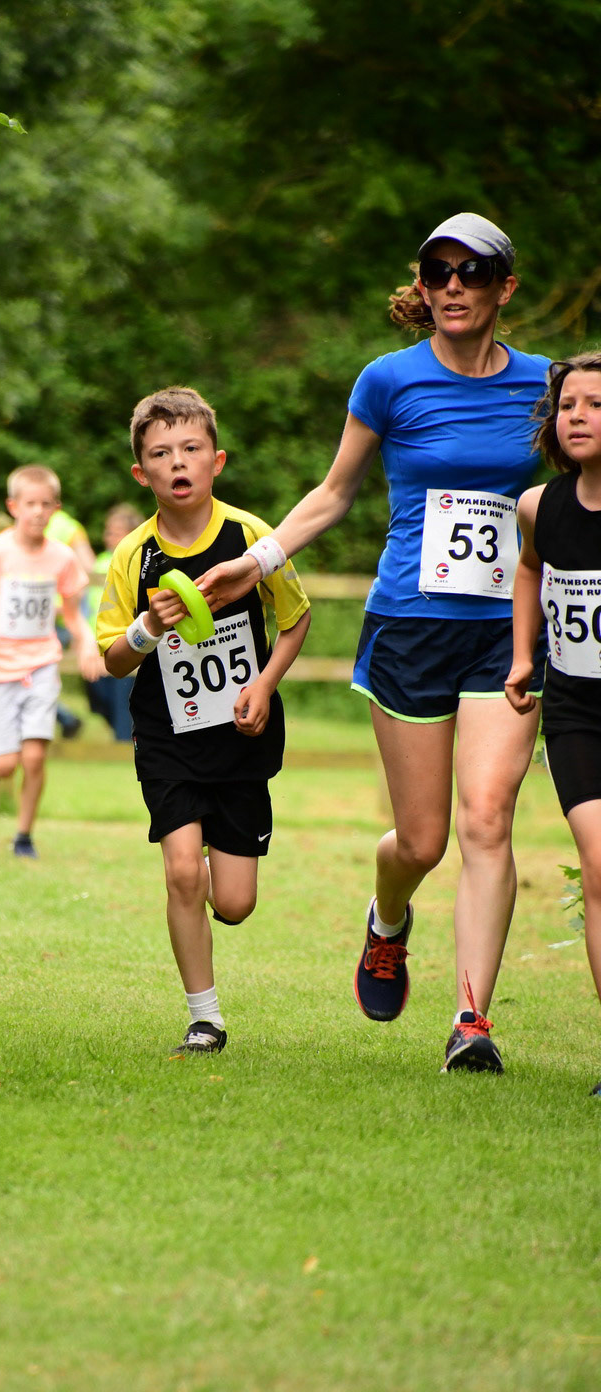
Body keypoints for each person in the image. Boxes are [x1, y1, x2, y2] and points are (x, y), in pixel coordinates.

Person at [197, 212, 551, 1073]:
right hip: (410, 630)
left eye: (473, 272)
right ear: (423, 287)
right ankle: (388, 918)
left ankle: (471, 1021)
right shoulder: (389, 380)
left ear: (505, 286)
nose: (454, 286)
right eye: (439, 272)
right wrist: (257, 560)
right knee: (422, 841)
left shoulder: (548, 385)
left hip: (504, 636)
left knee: (488, 819)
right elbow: (333, 493)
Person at [97, 386, 310, 1054]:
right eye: (161, 454)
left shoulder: (250, 536)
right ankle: (204, 1018)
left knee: (235, 903)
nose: (177, 462)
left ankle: (219, 848)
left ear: (216, 461)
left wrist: (265, 684)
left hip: (241, 735)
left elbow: (295, 617)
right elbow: (111, 661)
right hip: (166, 735)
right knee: (184, 872)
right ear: (142, 474)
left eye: (190, 449)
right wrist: (144, 628)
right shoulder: (133, 555)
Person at [505, 353, 601, 1097]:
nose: (577, 416)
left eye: (595, 404)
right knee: (600, 866)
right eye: (568, 404)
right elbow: (530, 570)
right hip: (576, 714)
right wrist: (521, 656)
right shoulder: (539, 506)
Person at [0, 464, 102, 859]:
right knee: (7, 765)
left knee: (35, 757)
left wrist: (86, 643)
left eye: (45, 504)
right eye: (30, 504)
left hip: (41, 664)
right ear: (13, 507)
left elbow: (74, 613)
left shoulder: (62, 558)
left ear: (56, 509)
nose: (38, 512)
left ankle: (24, 835)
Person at [84, 503, 144, 741]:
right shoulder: (100, 562)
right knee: (97, 697)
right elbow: (88, 605)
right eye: (108, 531)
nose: (109, 537)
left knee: (122, 708)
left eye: (115, 532)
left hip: (124, 645)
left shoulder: (137, 561)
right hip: (96, 644)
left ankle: (125, 744)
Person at [45, 503, 95, 739]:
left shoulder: (25, 524)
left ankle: (64, 718)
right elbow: (89, 567)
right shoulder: (69, 527)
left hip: (51, 616)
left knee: (33, 674)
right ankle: (66, 718)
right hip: (62, 613)